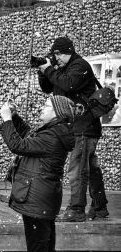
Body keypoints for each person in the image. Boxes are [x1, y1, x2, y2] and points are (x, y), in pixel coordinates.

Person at [37, 36, 109, 222]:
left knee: (77, 169)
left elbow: (68, 84)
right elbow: (47, 88)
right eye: (55, 55)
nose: (57, 58)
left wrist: (50, 69)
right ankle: (100, 208)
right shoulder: (61, 70)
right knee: (91, 168)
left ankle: (76, 210)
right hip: (78, 127)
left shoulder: (80, 66)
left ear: (69, 51)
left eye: (59, 54)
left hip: (84, 126)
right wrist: (42, 70)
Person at [0, 95, 77, 252]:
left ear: (57, 113)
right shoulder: (54, 132)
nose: (42, 107)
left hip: (37, 201)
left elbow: (18, 145)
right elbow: (28, 136)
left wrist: (6, 120)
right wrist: (14, 117)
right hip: (43, 199)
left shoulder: (51, 136)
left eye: (47, 106)